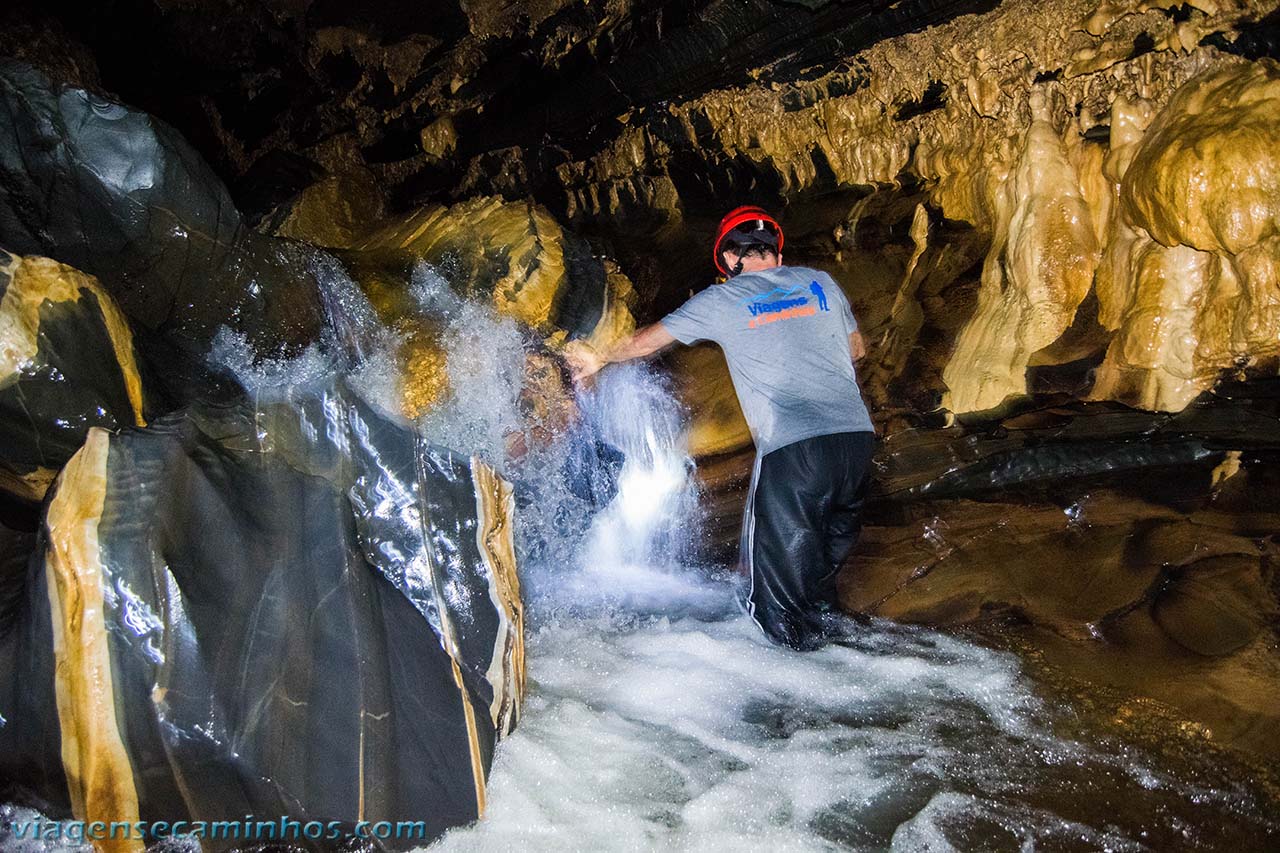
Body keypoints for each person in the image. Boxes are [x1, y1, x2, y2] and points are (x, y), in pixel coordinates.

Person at [566, 205, 875, 649]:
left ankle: (794, 686)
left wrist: (598, 357)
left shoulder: (722, 299)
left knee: (772, 596)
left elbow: (644, 342)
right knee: (820, 579)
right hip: (856, 445)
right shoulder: (820, 283)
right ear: (775, 253)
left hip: (794, 452)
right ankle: (841, 662)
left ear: (730, 260)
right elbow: (856, 349)